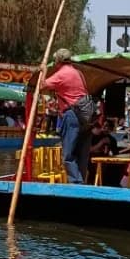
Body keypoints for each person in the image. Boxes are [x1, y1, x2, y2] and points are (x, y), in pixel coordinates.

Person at [42, 48, 93, 183]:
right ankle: (81, 181)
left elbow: (41, 85)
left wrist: (43, 70)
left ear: (58, 61)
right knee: (81, 153)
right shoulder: (78, 73)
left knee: (68, 154)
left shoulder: (62, 74)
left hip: (72, 115)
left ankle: (76, 183)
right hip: (85, 116)